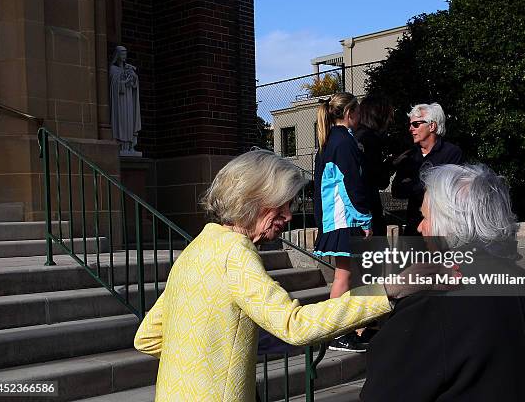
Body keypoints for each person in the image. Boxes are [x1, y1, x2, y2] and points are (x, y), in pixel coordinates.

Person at [134, 150, 449, 402]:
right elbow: (295, 326)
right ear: (253, 199)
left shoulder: (198, 247)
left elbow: (147, 336)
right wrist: (388, 289)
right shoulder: (235, 253)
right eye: (282, 204)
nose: (288, 215)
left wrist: (223, 343)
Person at [361, 164, 525, 402]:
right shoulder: (523, 282)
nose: (419, 227)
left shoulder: (434, 296)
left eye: (425, 217)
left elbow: (384, 390)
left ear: (447, 222)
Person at [312, 92, 372, 352]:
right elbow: (351, 184)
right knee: (344, 276)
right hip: (344, 218)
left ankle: (350, 328)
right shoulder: (344, 142)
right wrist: (364, 217)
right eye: (357, 113)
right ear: (349, 114)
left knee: (348, 274)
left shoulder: (329, 142)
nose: (359, 118)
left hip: (335, 218)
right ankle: (335, 332)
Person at [391, 103, 462, 235]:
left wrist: (413, 184)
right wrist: (429, 184)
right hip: (413, 227)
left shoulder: (451, 153)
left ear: (432, 126)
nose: (411, 129)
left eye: (416, 124)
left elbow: (449, 190)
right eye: (410, 124)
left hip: (442, 228)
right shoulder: (409, 156)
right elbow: (397, 190)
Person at [354, 95, 395, 237]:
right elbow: (379, 179)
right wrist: (391, 164)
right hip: (369, 209)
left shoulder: (355, 135)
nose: (390, 120)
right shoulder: (370, 139)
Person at [109, 45, 141, 154]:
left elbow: (134, 85)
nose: (124, 56)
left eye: (125, 54)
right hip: (120, 102)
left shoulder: (128, 68)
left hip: (129, 100)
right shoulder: (113, 69)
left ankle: (130, 146)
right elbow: (114, 84)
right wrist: (123, 81)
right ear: (117, 55)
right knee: (122, 122)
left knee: (130, 121)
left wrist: (133, 77)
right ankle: (122, 146)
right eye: (122, 54)